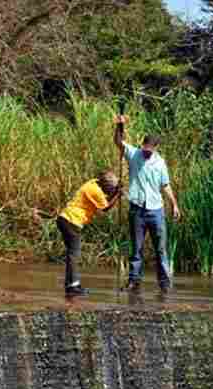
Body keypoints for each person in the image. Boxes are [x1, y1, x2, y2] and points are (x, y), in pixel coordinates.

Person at [113, 115, 182, 294]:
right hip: (137, 209)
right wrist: (120, 126)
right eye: (145, 148)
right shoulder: (134, 154)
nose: (146, 152)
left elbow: (165, 185)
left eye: (149, 150)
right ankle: (134, 281)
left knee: (161, 249)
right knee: (136, 248)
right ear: (142, 145)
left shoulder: (160, 163)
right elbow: (118, 142)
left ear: (156, 148)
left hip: (156, 211)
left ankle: (164, 283)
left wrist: (174, 205)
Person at [57, 170, 122, 296]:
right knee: (74, 254)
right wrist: (118, 194)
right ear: (105, 185)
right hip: (71, 221)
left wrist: (115, 191)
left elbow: (105, 199)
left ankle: (71, 284)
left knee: (72, 254)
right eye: (110, 188)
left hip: (66, 219)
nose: (110, 191)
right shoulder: (95, 191)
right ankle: (73, 286)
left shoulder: (93, 182)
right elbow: (106, 208)